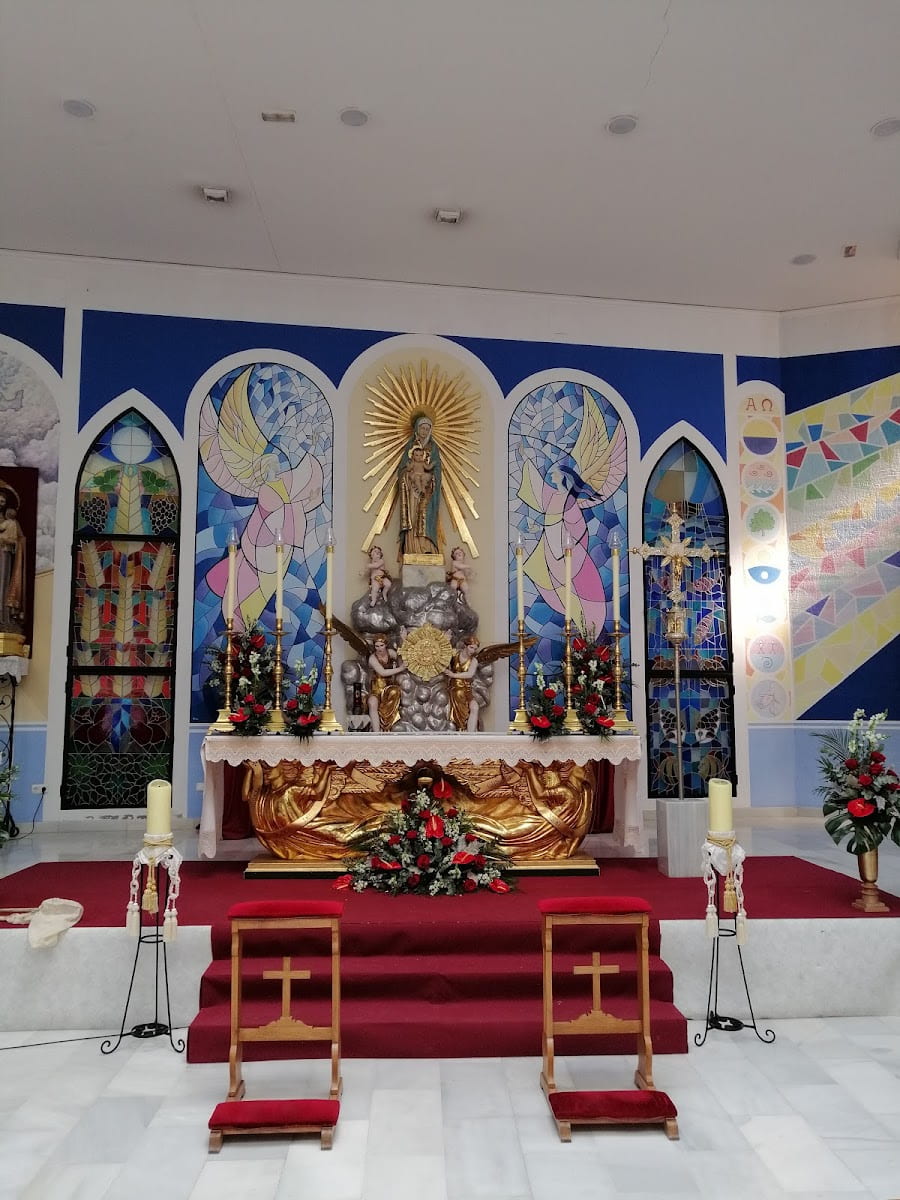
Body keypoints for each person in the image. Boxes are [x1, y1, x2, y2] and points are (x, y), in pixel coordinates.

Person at [398, 415, 442, 559]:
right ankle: (412, 548)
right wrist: (409, 478)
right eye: (422, 428)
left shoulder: (433, 448)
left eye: (427, 429)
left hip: (428, 491)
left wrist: (430, 480)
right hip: (412, 490)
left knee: (427, 515)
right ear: (417, 429)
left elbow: (436, 469)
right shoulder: (410, 447)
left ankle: (426, 548)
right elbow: (403, 468)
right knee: (413, 515)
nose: (424, 431)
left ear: (430, 430)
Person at [367, 635, 407, 732]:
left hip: (389, 686)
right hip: (376, 688)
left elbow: (401, 658)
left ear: (386, 645)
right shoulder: (372, 658)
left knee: (395, 692)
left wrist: (403, 640)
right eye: (377, 646)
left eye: (381, 645)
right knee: (372, 703)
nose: (379, 648)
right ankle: (376, 733)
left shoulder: (391, 653)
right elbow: (382, 672)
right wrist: (400, 669)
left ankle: (388, 725)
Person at [444, 635, 480, 732]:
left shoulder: (474, 660)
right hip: (454, 687)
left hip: (467, 688)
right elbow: (445, 659)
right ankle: (462, 726)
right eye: (471, 647)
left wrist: (453, 675)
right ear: (465, 645)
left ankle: (471, 734)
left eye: (475, 649)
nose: (472, 651)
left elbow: (470, 674)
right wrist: (446, 641)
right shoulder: (455, 654)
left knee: (475, 707)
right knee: (459, 693)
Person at [0, 503, 26, 627]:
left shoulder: (9, 523)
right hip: (7, 549)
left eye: (3, 500)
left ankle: (4, 616)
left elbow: (21, 538)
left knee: (4, 582)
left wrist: (15, 543)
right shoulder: (13, 523)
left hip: (5, 552)